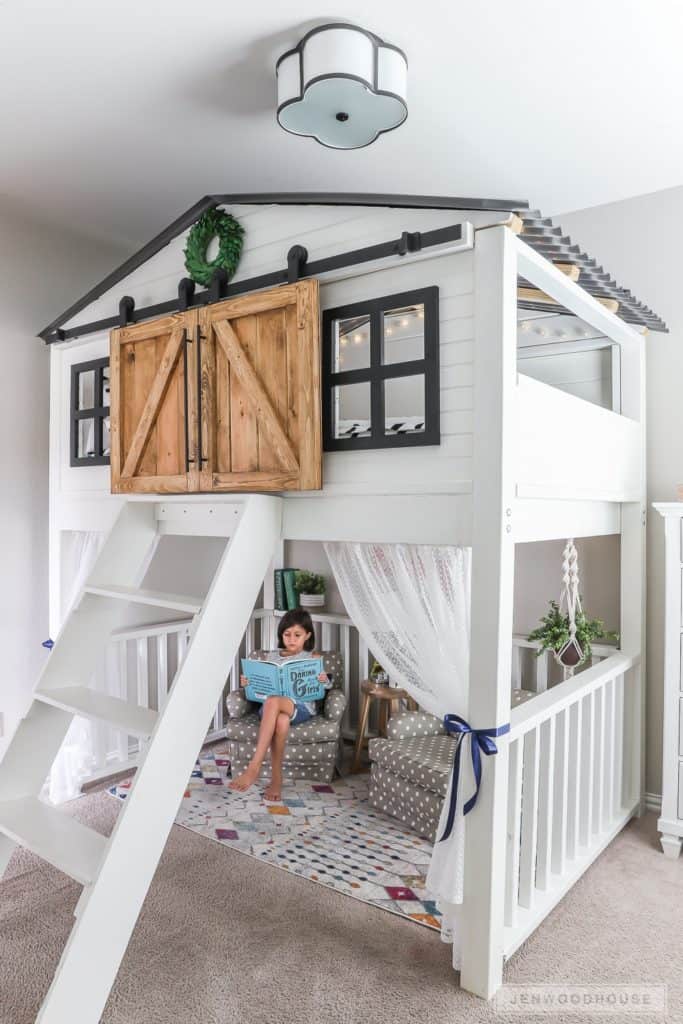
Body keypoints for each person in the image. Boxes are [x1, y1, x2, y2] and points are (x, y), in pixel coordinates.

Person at [228, 608, 330, 801]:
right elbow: (260, 692)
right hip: (269, 710)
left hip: (299, 708)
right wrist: (249, 684)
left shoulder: (313, 658)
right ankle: (276, 779)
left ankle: (254, 766)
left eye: (297, 635)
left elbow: (322, 689)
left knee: (275, 701)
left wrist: (323, 679)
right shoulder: (272, 657)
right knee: (280, 720)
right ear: (281, 635)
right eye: (287, 634)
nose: (291, 639)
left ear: (307, 635)